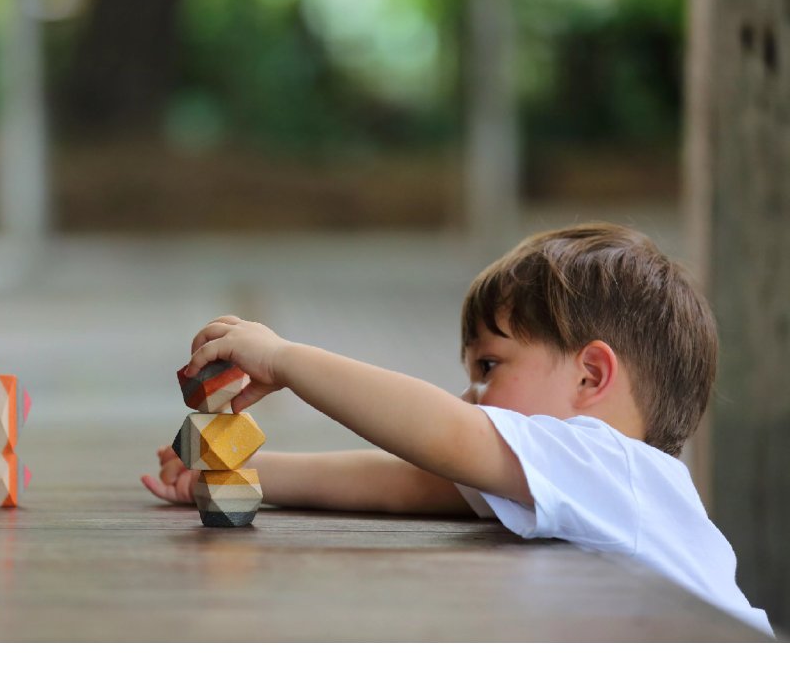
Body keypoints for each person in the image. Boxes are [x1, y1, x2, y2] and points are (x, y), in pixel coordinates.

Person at [141, 222, 773, 637]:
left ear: (591, 376)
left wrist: (285, 359)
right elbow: (412, 482)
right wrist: (244, 474)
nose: (470, 396)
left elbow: (445, 436)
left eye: (490, 367)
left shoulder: (613, 465)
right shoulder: (577, 483)